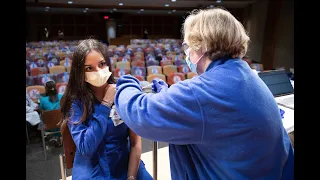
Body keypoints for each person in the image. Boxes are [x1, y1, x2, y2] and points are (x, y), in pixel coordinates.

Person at [114, 8, 294, 179]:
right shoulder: (246, 75)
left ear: (201, 45)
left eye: (187, 45)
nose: (187, 52)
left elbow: (141, 113)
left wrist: (126, 83)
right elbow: (209, 115)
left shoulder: (203, 91)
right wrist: (168, 95)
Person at [59, 39, 153, 180]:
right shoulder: (76, 103)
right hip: (91, 166)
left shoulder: (122, 93)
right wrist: (105, 104)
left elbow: (135, 143)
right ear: (80, 73)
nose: (98, 71)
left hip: (124, 160)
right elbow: (86, 148)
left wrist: (131, 176)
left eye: (101, 64)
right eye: (89, 68)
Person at [39, 80, 64, 146]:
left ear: (46, 89)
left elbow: (41, 110)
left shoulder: (42, 100)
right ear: (56, 88)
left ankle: (54, 137)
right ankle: (59, 137)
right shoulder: (61, 97)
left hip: (48, 127)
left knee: (42, 116)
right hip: (62, 125)